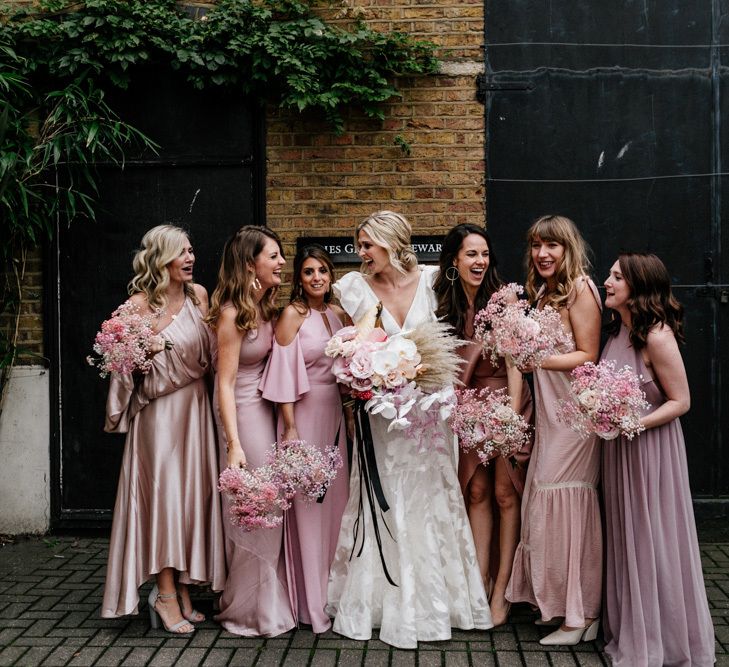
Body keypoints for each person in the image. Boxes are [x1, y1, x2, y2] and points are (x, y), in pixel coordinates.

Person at [326, 210, 492, 649]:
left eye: (368, 245)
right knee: (384, 495)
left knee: (432, 496)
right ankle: (380, 600)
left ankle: (438, 601)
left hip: (429, 413)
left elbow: (474, 311)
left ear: (392, 243)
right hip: (381, 416)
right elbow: (342, 342)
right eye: (359, 245)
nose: (361, 254)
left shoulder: (437, 279)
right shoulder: (351, 289)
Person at [101, 224, 225, 634]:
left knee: (191, 500)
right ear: (160, 259)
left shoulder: (200, 296)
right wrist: (140, 357)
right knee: (165, 503)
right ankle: (165, 593)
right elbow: (118, 369)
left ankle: (185, 589)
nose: (190, 258)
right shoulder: (136, 307)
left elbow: (213, 356)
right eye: (181, 253)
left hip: (195, 411)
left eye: (191, 250)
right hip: (159, 418)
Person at [601, 252, 715, 666]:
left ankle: (664, 639)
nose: (607, 282)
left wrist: (634, 423)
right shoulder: (616, 334)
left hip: (651, 450)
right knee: (628, 538)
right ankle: (634, 627)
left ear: (638, 287)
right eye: (609, 275)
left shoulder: (657, 337)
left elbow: (681, 401)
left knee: (655, 539)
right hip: (619, 452)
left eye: (616, 277)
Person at [506, 214, 603, 645]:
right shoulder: (545, 293)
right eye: (536, 246)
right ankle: (562, 604)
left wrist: (536, 359)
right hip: (550, 413)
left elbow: (588, 355)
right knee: (543, 504)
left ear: (568, 249)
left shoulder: (580, 288)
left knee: (565, 506)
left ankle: (581, 616)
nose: (542, 254)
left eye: (552, 246)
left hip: (576, 418)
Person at [433, 224, 533, 627]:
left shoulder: (504, 298)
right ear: (455, 259)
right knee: (475, 490)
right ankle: (478, 581)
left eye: (485, 254)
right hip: (466, 405)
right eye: (472, 254)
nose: (480, 261)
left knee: (506, 493)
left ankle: (502, 590)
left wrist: (510, 414)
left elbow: (514, 365)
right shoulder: (443, 301)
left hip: (506, 399)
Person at [206, 225, 295, 636]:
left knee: (270, 506)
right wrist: (234, 443)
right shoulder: (231, 313)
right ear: (249, 264)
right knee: (258, 507)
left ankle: (266, 600)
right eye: (273, 255)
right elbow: (223, 382)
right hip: (243, 415)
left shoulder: (264, 308)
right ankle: (247, 610)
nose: (281, 262)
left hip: (266, 412)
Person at [259, 244, 350, 633]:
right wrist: (290, 427)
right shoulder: (291, 316)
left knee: (336, 508)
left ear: (331, 277)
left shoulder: (339, 314)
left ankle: (334, 595)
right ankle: (310, 606)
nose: (317, 278)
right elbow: (281, 372)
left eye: (323, 272)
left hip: (336, 421)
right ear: (299, 278)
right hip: (303, 417)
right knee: (308, 510)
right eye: (309, 272)